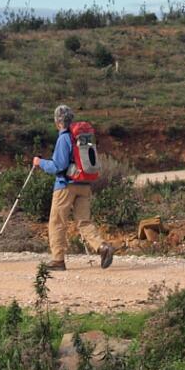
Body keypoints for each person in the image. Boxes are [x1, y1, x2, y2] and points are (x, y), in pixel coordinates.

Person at [34, 104, 112, 271]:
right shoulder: (82, 137)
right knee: (84, 221)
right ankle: (102, 246)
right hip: (84, 184)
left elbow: (58, 166)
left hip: (65, 186)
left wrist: (40, 163)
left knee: (57, 222)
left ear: (58, 121)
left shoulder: (64, 138)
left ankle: (58, 260)